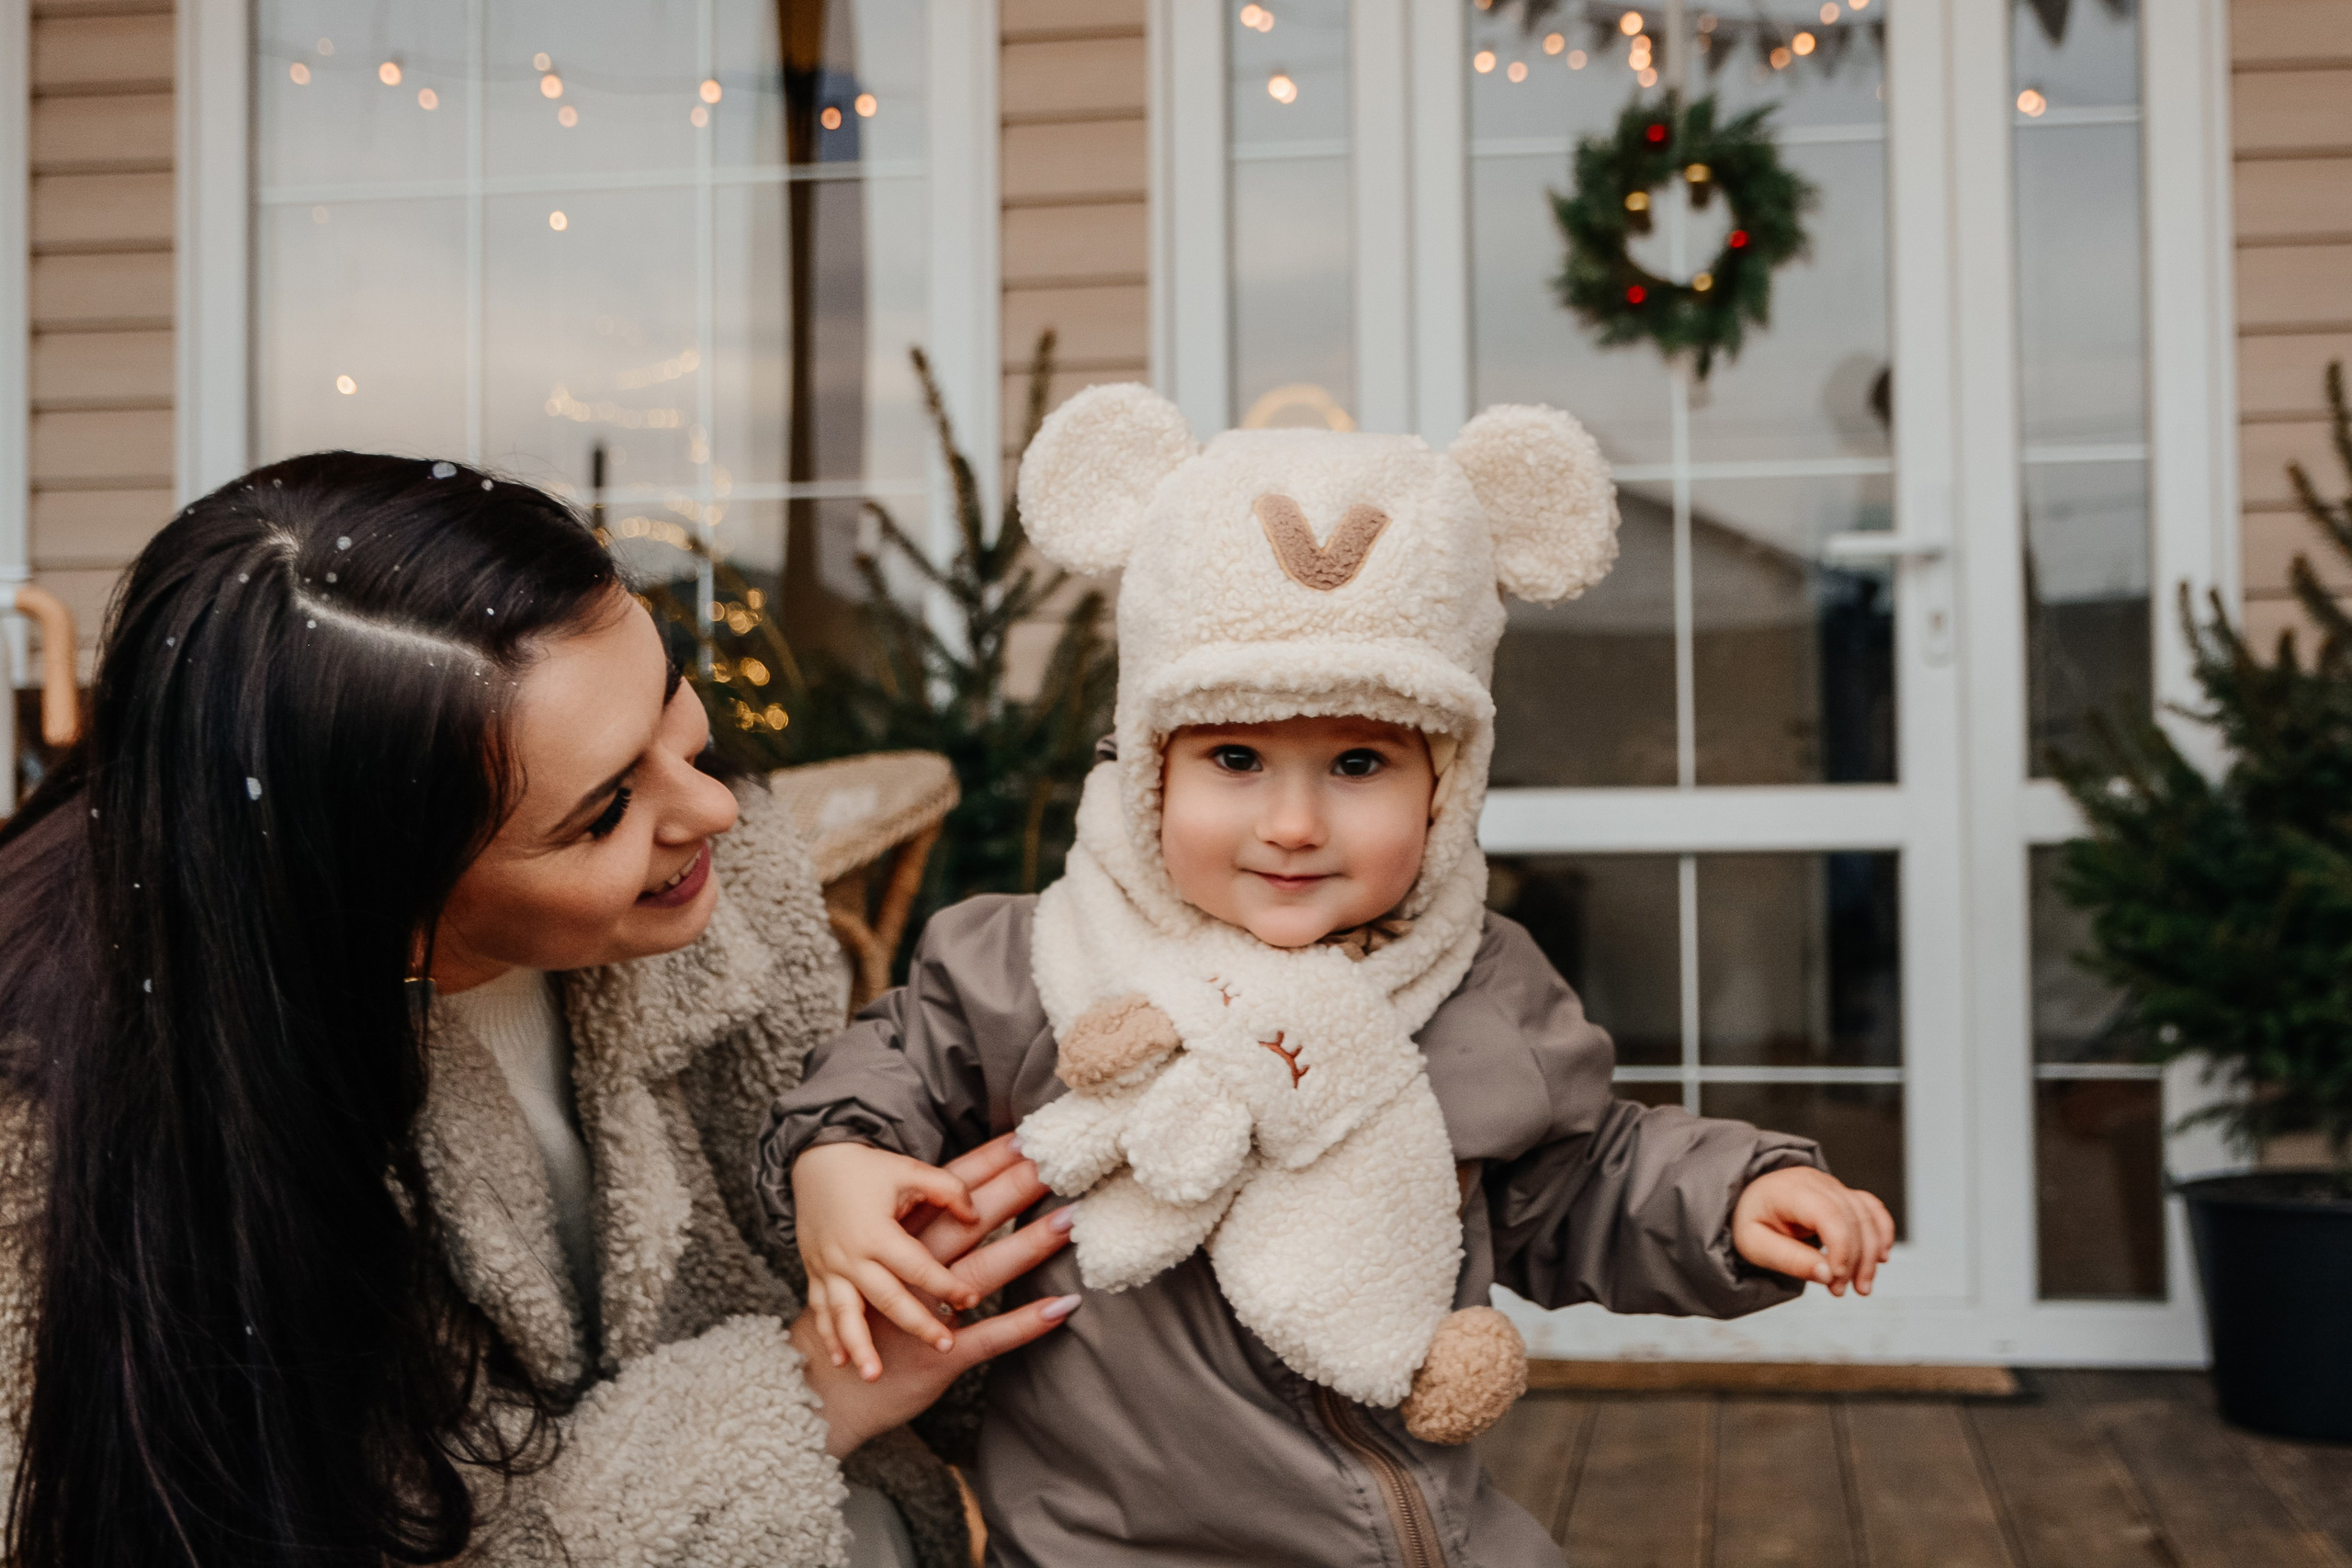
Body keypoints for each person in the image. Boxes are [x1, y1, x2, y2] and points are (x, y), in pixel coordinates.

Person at [759, 389, 1897, 1566]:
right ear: (1148, 767)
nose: (1294, 823)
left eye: (1358, 763)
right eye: (1235, 758)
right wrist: (837, 1159)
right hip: (1101, 1547)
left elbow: (1584, 1182)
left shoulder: (1477, 987)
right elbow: (888, 1063)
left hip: (1408, 1542)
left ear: (1444, 787)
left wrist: (1732, 1199)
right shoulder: (1027, 966)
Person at [0, 453, 1077, 1568]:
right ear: (376, 910)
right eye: (605, 812)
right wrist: (811, 1386)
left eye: (668, 694)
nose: (715, 806)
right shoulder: (72, 1150)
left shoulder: (732, 884)